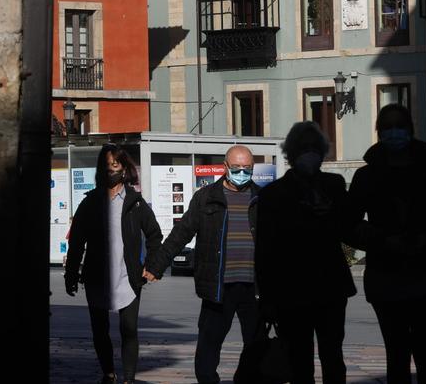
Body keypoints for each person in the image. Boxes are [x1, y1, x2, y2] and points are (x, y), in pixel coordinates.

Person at [345, 104, 426, 384]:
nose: (393, 132)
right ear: (379, 133)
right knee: (396, 353)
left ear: (409, 130)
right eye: (387, 127)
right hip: (387, 276)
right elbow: (347, 223)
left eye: (399, 126)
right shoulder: (366, 175)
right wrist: (383, 240)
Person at [143, 145, 261, 384]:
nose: (241, 171)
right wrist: (157, 265)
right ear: (226, 167)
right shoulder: (206, 197)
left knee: (257, 344)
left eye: (246, 168)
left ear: (252, 168)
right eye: (236, 167)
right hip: (218, 285)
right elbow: (182, 232)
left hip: (254, 286)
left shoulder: (262, 198)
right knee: (209, 343)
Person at [256, 122, 356, 384]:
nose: (310, 154)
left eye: (315, 148)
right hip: (291, 290)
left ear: (323, 153)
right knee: (299, 360)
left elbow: (349, 228)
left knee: (333, 355)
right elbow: (265, 250)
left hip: (330, 287)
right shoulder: (273, 195)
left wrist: (331, 213)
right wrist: (267, 297)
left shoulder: (334, 185)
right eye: (304, 149)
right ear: (291, 154)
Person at [64, 145, 162, 384]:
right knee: (100, 330)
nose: (111, 172)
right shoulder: (89, 203)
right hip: (97, 276)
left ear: (125, 169)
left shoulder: (135, 203)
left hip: (128, 276)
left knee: (129, 330)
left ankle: (128, 379)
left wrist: (151, 266)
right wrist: (70, 275)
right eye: (106, 167)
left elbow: (154, 235)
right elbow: (76, 241)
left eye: (115, 166)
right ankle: (108, 373)